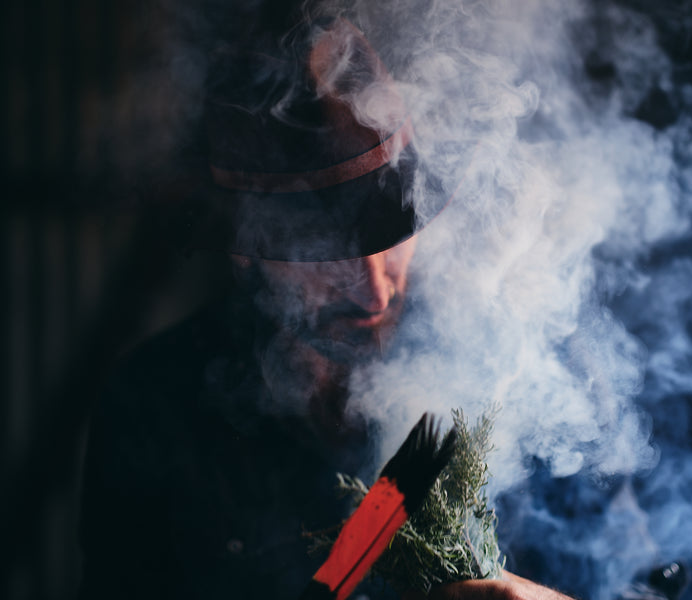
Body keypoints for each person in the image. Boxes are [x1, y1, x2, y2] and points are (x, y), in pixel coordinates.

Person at [78, 11, 576, 600]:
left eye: (392, 237)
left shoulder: (512, 370)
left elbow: (644, 575)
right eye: (330, 256)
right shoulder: (157, 405)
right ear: (246, 247)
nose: (374, 292)